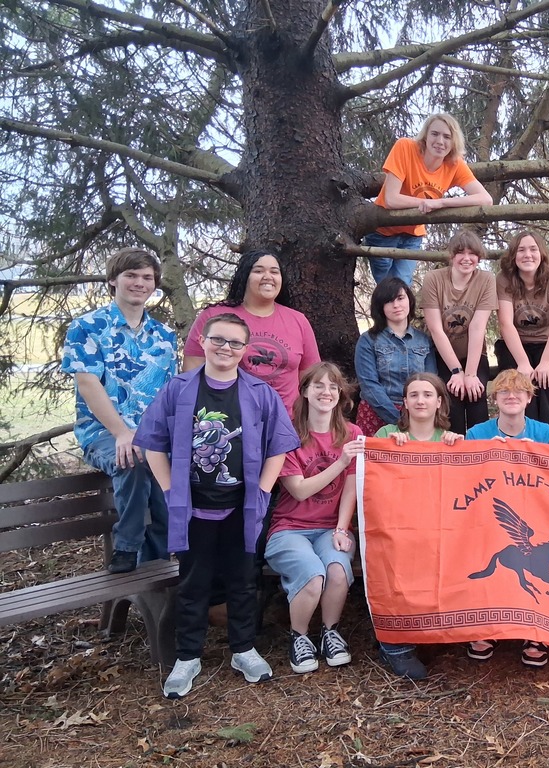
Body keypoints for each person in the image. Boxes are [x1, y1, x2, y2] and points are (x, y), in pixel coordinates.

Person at [135, 313, 300, 699]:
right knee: (193, 582)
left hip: (242, 507)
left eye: (235, 343)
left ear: (245, 350)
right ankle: (187, 656)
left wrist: (262, 492)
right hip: (193, 508)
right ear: (203, 342)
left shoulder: (260, 393)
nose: (226, 348)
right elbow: (152, 443)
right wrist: (170, 490)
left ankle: (243, 649)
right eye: (218, 340)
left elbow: (278, 447)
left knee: (243, 580)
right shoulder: (178, 389)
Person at [61, 247, 177, 573]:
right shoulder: (87, 327)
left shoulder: (164, 336)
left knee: (169, 472)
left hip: (152, 434)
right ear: (113, 280)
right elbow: (88, 385)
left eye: (147, 277)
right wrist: (122, 432)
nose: (139, 283)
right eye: (131, 275)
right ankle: (126, 547)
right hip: (104, 433)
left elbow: (168, 394)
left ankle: (156, 573)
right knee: (132, 457)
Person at [264, 363, 365, 676]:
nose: (326, 392)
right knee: (312, 575)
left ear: (340, 394)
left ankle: (330, 632)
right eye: (318, 385)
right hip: (290, 529)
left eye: (333, 386)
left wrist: (341, 529)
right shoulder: (288, 434)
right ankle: (299, 636)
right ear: (305, 391)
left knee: (337, 570)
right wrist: (341, 462)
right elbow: (299, 490)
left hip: (330, 528)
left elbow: (351, 489)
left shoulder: (352, 434)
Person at [465, 369, 549, 667]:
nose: (511, 396)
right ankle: (485, 627)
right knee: (483, 547)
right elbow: (467, 480)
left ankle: (535, 632)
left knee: (540, 556)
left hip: (535, 512)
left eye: (519, 391)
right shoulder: (476, 433)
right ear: (495, 399)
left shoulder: (545, 433)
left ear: (529, 398)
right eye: (504, 391)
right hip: (487, 512)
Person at [373, 372, 463, 679]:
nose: (420, 400)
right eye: (414, 395)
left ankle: (432, 632)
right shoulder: (387, 433)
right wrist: (388, 449)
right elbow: (370, 480)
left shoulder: (450, 440)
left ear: (439, 402)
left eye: (427, 395)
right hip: (396, 528)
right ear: (405, 403)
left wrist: (459, 451)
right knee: (397, 563)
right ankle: (394, 643)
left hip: (437, 528)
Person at [183, 248, 320, 414]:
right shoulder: (215, 315)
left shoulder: (298, 321)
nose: (268, 276)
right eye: (258, 271)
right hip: (226, 418)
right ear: (245, 276)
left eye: (274, 272)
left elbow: (311, 378)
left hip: (286, 421)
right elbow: (192, 371)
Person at [366, 113, 493, 285]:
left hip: (413, 235)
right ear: (425, 136)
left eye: (447, 137)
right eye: (435, 134)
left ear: (454, 142)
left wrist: (441, 203)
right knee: (386, 289)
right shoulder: (405, 147)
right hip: (383, 231)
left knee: (403, 286)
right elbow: (391, 199)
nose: (440, 141)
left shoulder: (455, 164)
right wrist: (426, 203)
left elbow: (485, 199)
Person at [495, 230, 549, 440]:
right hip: (515, 344)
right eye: (521, 250)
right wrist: (522, 363)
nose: (527, 255)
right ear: (513, 255)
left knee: (547, 382)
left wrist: (546, 362)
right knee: (520, 384)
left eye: (533, 249)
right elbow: (506, 323)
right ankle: (520, 441)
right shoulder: (504, 278)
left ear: (541, 253)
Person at [420, 230, 497, 433]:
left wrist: (470, 374)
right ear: (452, 256)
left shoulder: (486, 280)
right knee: (452, 395)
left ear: (479, 257)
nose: (466, 258)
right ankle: (453, 447)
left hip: (474, 354)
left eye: (472, 254)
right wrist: (457, 371)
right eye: (461, 253)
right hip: (443, 354)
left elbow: (477, 326)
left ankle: (479, 448)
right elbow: (436, 329)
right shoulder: (434, 279)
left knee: (475, 393)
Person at [354, 277, 436, 437]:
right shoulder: (368, 340)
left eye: (400, 298)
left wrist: (415, 416)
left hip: (417, 413)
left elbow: (431, 381)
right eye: (389, 301)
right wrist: (399, 419)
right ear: (380, 307)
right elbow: (369, 386)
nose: (396, 305)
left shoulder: (424, 340)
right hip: (376, 413)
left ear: (409, 300)